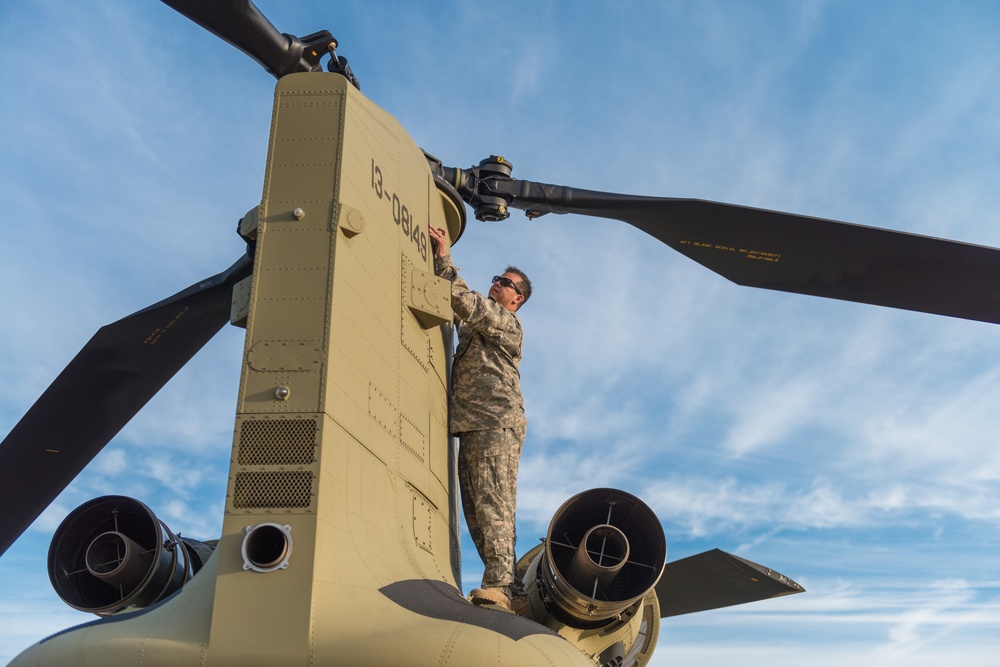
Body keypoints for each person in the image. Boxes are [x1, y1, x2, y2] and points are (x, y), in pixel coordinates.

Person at [428, 225, 531, 612]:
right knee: (475, 510)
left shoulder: (508, 324)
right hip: (471, 424)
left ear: (517, 299)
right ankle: (516, 594)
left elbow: (464, 300)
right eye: (496, 279)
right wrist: (442, 260)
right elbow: (461, 302)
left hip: (495, 422)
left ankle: (500, 585)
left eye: (505, 283)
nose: (497, 284)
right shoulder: (477, 325)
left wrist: (443, 256)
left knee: (494, 504)